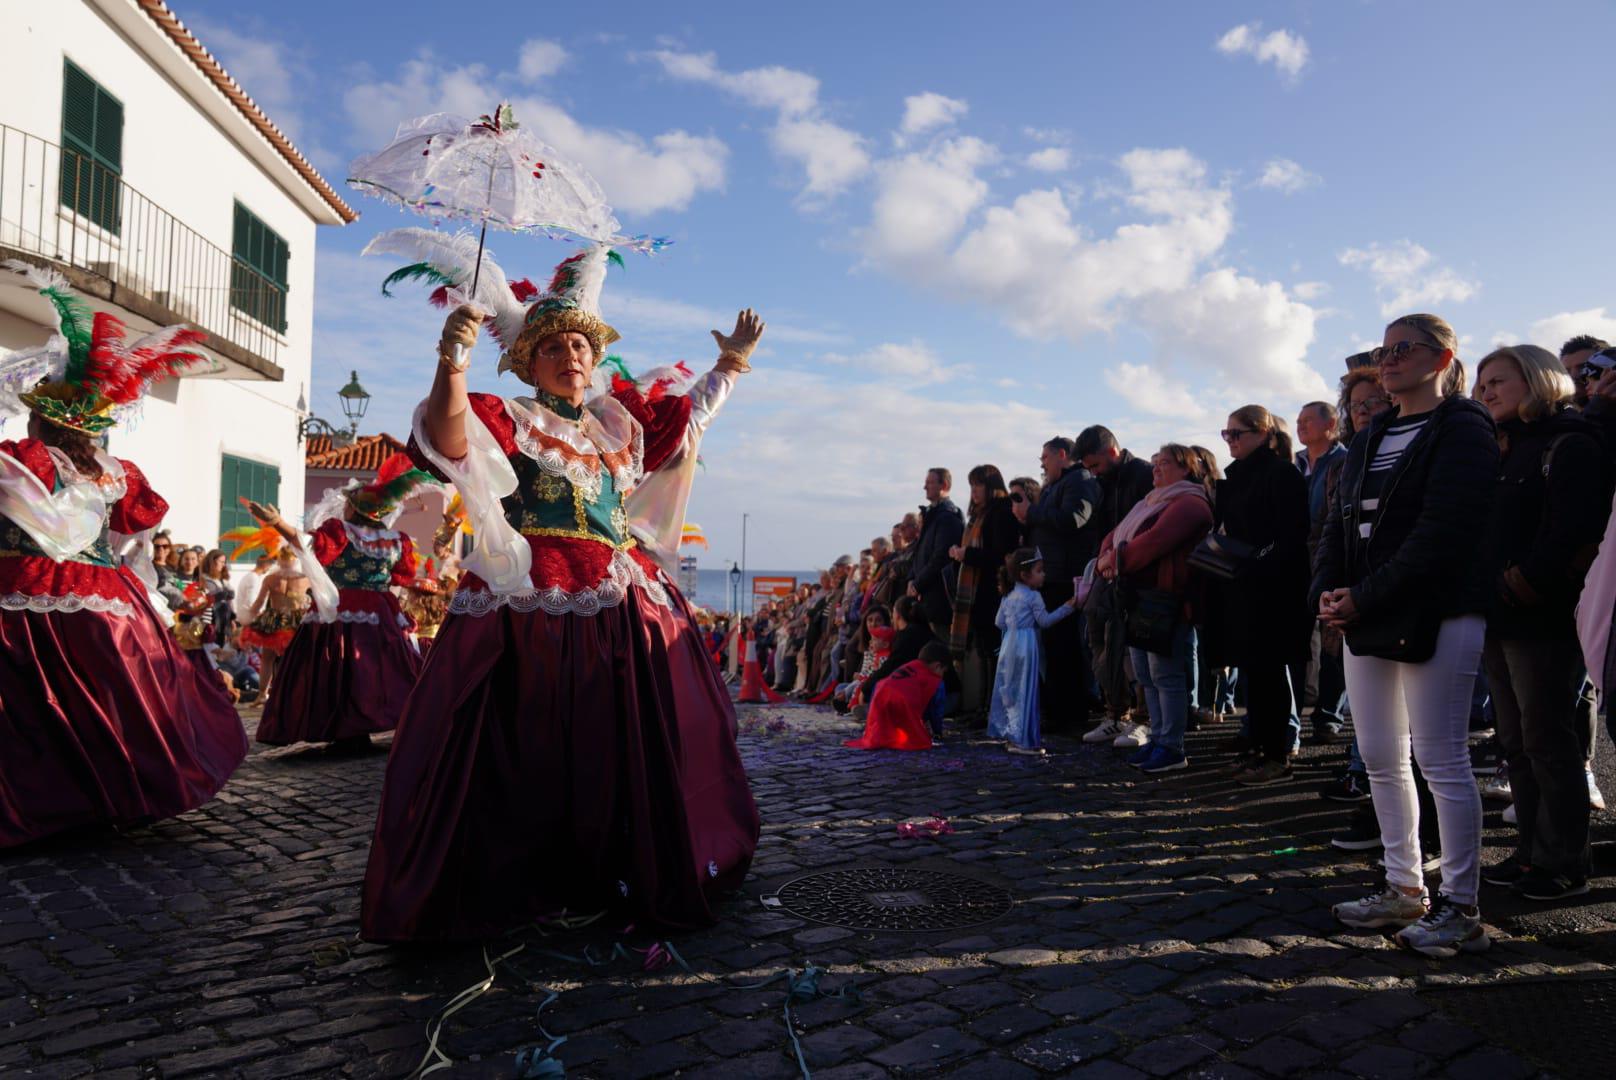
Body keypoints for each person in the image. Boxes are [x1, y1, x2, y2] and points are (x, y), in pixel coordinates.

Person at [361, 242, 762, 941]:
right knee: (528, 743)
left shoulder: (616, 427)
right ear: (528, 360)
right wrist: (450, 358)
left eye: (582, 343)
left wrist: (730, 363)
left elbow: (685, 424)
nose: (572, 353)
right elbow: (450, 436)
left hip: (615, 595)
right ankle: (525, 874)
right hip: (534, 600)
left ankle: (615, 863)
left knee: (622, 745)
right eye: (555, 345)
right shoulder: (511, 417)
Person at [0, 264, 246, 847]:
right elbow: (139, 517)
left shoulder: (23, 459)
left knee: (31, 709)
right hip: (108, 601)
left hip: (22, 592)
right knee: (110, 703)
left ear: (42, 418)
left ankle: (45, 805)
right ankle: (114, 796)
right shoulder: (115, 472)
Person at [1316, 313, 1497, 958]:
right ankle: (1403, 886)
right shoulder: (1373, 432)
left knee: (1442, 760)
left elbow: (1443, 531)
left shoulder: (1464, 425)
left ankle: (1462, 904)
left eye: (1402, 349)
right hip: (1368, 610)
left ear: (1443, 357)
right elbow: (1339, 526)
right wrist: (1329, 593)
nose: (1387, 360)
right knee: (1381, 758)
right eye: (1383, 349)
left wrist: (1362, 595)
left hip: (1438, 608)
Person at [1473, 345, 1610, 901]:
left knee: (1547, 740)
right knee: (1515, 741)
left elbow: (1577, 532)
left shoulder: (1570, 444)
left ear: (1537, 380)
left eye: (1497, 380)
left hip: (1543, 619)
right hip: (1499, 617)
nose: (1485, 392)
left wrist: (1520, 581)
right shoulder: (1505, 449)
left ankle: (1563, 862)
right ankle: (1530, 853)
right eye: (1481, 384)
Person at [247, 454, 431, 750]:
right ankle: (379, 722)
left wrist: (278, 523)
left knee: (339, 667)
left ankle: (347, 729)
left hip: (342, 606)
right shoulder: (398, 540)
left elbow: (310, 546)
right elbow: (403, 575)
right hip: (382, 610)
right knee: (378, 667)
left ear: (355, 508)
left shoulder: (340, 532)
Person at [1204, 405, 1311, 786]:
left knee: (1271, 674)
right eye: (1226, 433)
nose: (1230, 440)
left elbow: (1292, 536)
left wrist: (1255, 561)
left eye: (1238, 433)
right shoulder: (1236, 477)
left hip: (1274, 588)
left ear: (1263, 433)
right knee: (1254, 673)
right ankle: (1258, 748)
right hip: (1243, 586)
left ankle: (1277, 755)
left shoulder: (1282, 474)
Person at [1096, 445, 1215, 773]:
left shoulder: (1190, 503)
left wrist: (1114, 559)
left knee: (1166, 674)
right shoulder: (1150, 501)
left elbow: (1150, 544)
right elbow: (1113, 537)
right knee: (1146, 675)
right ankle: (1158, 739)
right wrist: (1110, 556)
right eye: (1155, 463)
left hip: (1167, 599)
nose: (1156, 469)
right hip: (1139, 597)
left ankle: (1171, 746)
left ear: (1186, 468)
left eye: (1164, 463)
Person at [1013, 437, 1102, 733]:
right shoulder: (1053, 486)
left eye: (1045, 457)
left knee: (1066, 649)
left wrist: (1033, 513)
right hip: (1051, 576)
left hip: (1066, 577)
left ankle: (1070, 713)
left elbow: (1073, 518)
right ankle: (1057, 711)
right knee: (1054, 648)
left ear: (1062, 455)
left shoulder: (1080, 481)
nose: (1041, 463)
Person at [988, 547, 1080, 755]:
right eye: (1039, 571)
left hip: (1008, 645)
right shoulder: (1033, 596)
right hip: (1026, 644)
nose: (1043, 574)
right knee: (1026, 689)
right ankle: (1025, 741)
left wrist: (1014, 625)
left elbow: (998, 622)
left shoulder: (1008, 595)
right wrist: (1068, 607)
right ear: (1025, 575)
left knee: (1011, 688)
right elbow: (1045, 621)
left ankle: (1012, 735)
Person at [948, 465, 1019, 725]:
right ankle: (984, 707)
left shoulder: (1000, 512)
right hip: (978, 595)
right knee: (985, 652)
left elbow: (1002, 555)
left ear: (991, 486)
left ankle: (993, 708)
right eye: (972, 485)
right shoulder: (978, 515)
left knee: (995, 653)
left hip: (994, 592)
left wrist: (968, 555)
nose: (974, 491)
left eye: (978, 485)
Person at [844, 641, 951, 751]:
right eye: (943, 671)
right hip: (902, 701)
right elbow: (935, 709)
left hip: (880, 693)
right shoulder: (935, 681)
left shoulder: (910, 666)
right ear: (938, 666)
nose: (942, 675)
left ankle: (871, 715)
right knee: (912, 734)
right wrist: (937, 732)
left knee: (883, 729)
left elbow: (887, 683)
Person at [241, 546, 310, 702]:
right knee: (294, 659)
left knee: (268, 658)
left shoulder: (271, 578)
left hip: (274, 619)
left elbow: (259, 602)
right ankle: (290, 692)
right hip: (296, 621)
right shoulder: (304, 578)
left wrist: (248, 617)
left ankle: (262, 694)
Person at [909, 468, 965, 640]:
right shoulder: (932, 516)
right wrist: (912, 579)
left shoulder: (948, 517)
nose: (924, 487)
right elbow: (919, 553)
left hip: (938, 599)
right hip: (926, 598)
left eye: (930, 482)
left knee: (941, 654)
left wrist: (918, 584)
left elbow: (941, 557)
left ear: (944, 485)